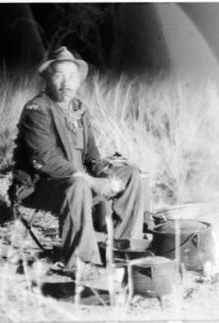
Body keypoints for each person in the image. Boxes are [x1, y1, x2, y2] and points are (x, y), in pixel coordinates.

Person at [10, 46, 146, 275]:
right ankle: (83, 264)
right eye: (59, 75)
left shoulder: (80, 110)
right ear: (47, 78)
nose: (66, 82)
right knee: (78, 184)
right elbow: (44, 160)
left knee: (130, 173)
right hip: (39, 186)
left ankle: (123, 250)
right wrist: (92, 182)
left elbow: (91, 155)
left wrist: (104, 176)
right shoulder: (37, 109)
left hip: (79, 182)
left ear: (79, 80)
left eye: (72, 76)